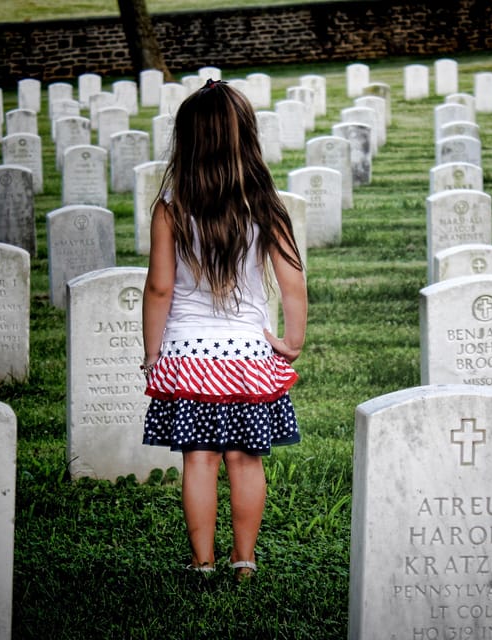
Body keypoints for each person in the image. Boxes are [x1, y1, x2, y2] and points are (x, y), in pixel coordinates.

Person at [139, 78, 307, 584]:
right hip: (250, 358)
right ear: (247, 138)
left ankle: (202, 562)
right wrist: (292, 341)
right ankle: (245, 561)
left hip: (189, 357)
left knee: (200, 458)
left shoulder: (171, 206)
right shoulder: (265, 204)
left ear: (187, 141)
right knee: (245, 458)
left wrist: (153, 354)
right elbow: (292, 282)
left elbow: (160, 289)